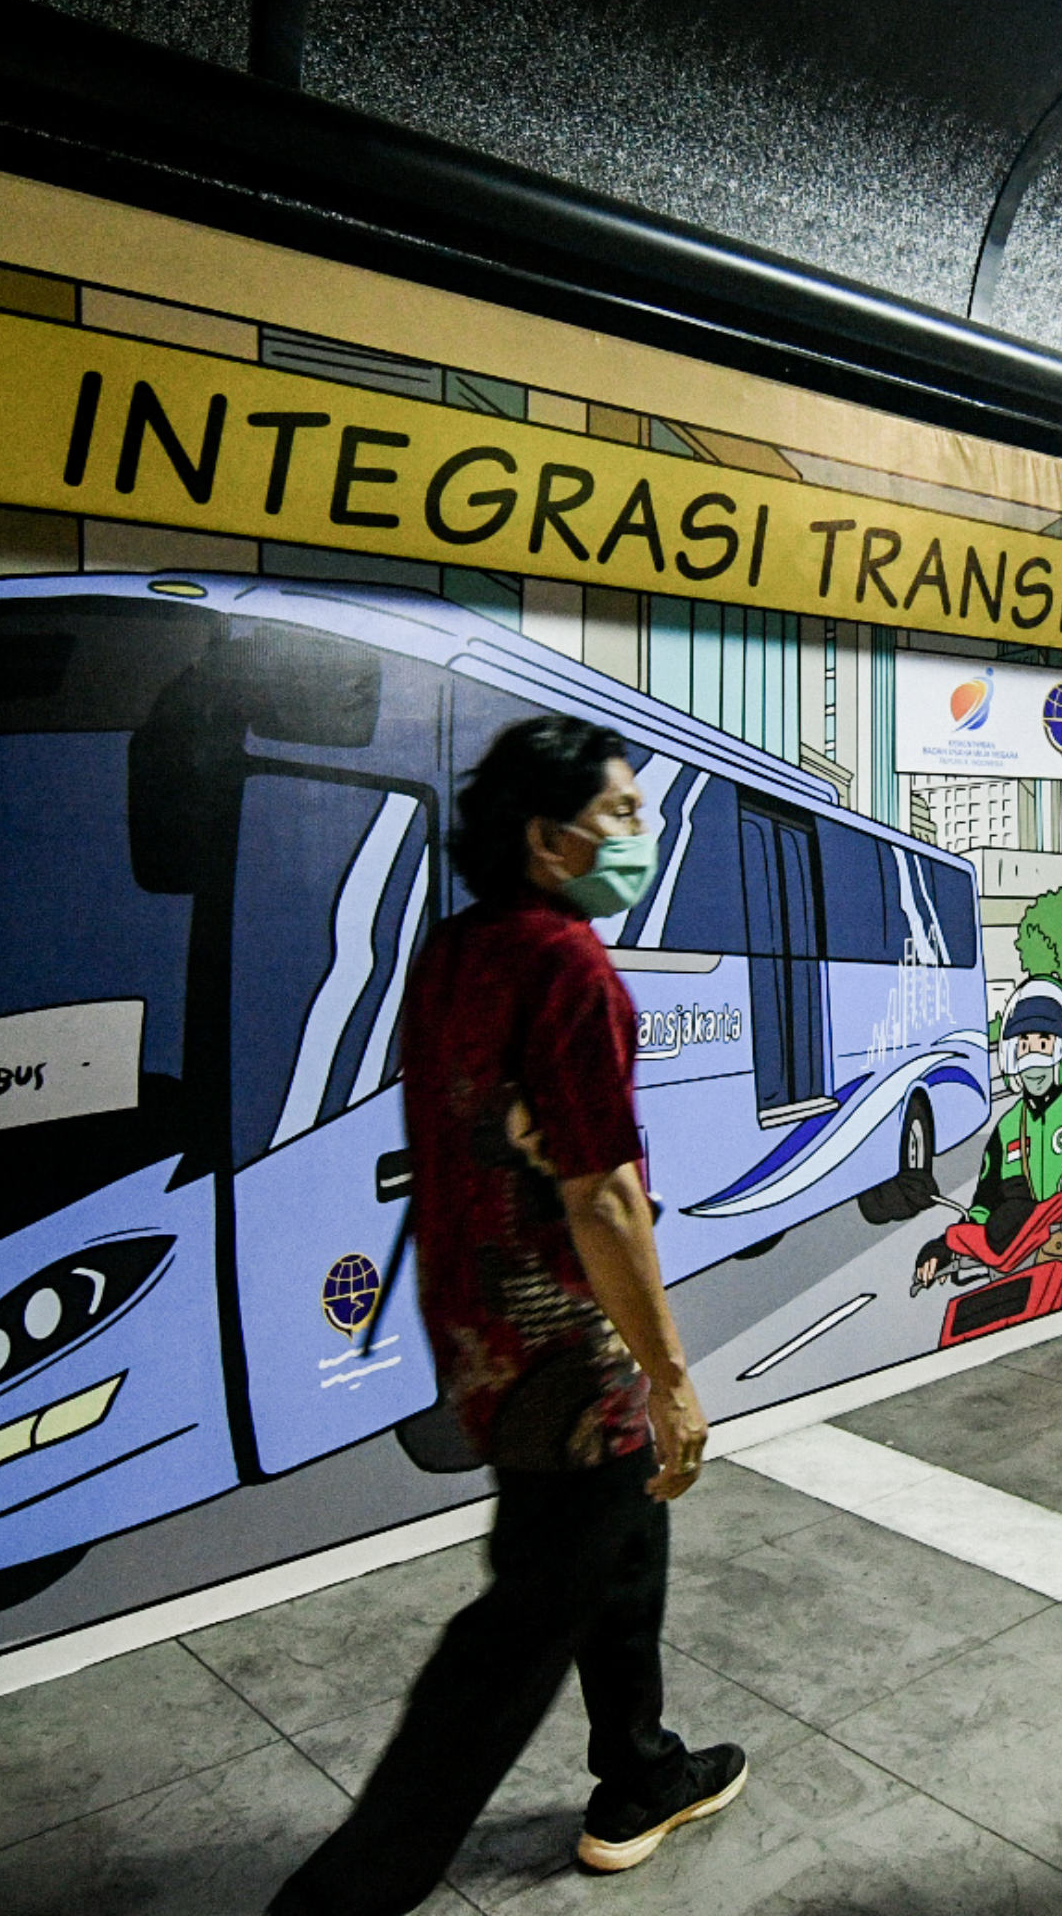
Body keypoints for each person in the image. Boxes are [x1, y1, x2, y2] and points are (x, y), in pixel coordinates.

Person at [271, 717, 743, 1916]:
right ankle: (347, 1892)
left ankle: (639, 1770)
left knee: (625, 1541)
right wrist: (670, 1373)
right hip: (567, 1363)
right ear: (548, 839)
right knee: (517, 1631)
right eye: (621, 814)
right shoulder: (570, 966)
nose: (640, 832)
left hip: (481, 1335)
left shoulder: (456, 950)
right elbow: (604, 1196)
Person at [912, 973, 1062, 1309]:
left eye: (1043, 1042)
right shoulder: (1007, 1128)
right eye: (1024, 1044)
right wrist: (946, 1246)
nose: (1033, 1055)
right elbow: (985, 1203)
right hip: (1019, 1255)